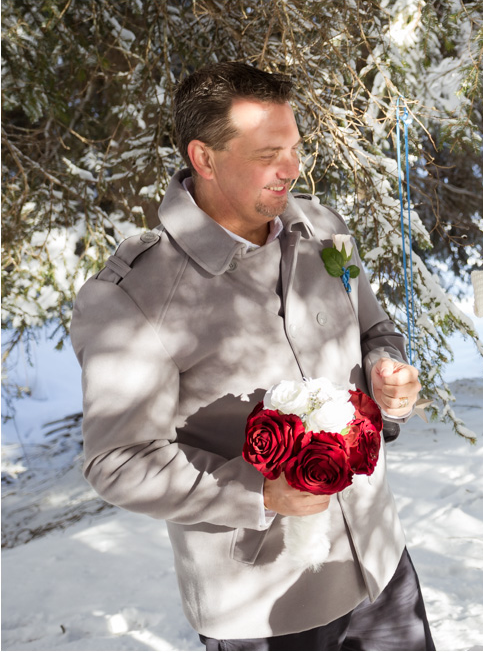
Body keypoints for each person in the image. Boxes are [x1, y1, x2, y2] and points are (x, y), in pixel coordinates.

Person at [70, 62, 435, 651]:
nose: (291, 169)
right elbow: (117, 461)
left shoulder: (322, 229)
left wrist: (385, 372)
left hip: (381, 563)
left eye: (295, 149)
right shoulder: (132, 297)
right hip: (264, 610)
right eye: (270, 153)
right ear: (204, 158)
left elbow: (375, 328)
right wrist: (260, 493)